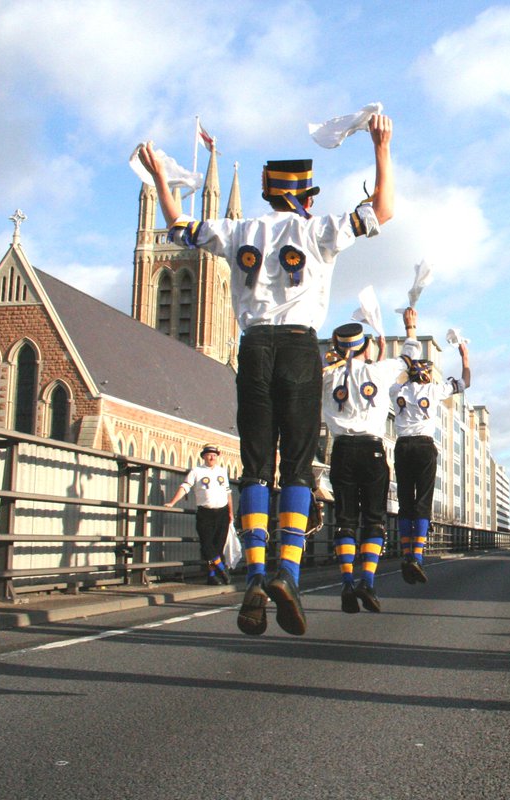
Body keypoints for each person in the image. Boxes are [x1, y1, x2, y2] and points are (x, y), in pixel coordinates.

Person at [137, 114, 394, 638]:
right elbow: (383, 211)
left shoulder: (238, 230)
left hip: (252, 347)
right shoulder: (317, 228)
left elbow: (177, 226)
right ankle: (288, 575)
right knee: (296, 467)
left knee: (255, 465)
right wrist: (381, 146)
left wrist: (162, 179)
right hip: (300, 347)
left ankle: (254, 574)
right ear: (304, 197)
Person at [322, 315, 407, 613]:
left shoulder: (328, 376)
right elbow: (409, 356)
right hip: (372, 449)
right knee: (373, 520)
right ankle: (367, 581)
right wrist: (409, 329)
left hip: (341, 450)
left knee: (345, 520)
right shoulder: (380, 372)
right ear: (367, 347)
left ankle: (346, 580)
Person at [390, 307, 470, 585]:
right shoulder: (434, 390)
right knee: (423, 501)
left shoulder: (396, 391)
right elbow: (466, 382)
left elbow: (403, 365)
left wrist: (410, 331)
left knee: (405, 501)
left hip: (402, 445)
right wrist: (464, 355)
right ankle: (417, 556)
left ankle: (405, 551)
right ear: (428, 376)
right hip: (424, 446)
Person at [165, 444, 234, 585]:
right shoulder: (196, 471)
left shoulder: (222, 471)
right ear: (203, 456)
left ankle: (212, 575)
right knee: (207, 545)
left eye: (214, 455)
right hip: (205, 512)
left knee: (218, 546)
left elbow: (228, 493)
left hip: (222, 512)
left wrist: (230, 512)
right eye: (209, 454)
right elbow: (185, 487)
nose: (212, 457)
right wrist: (172, 502)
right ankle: (221, 569)